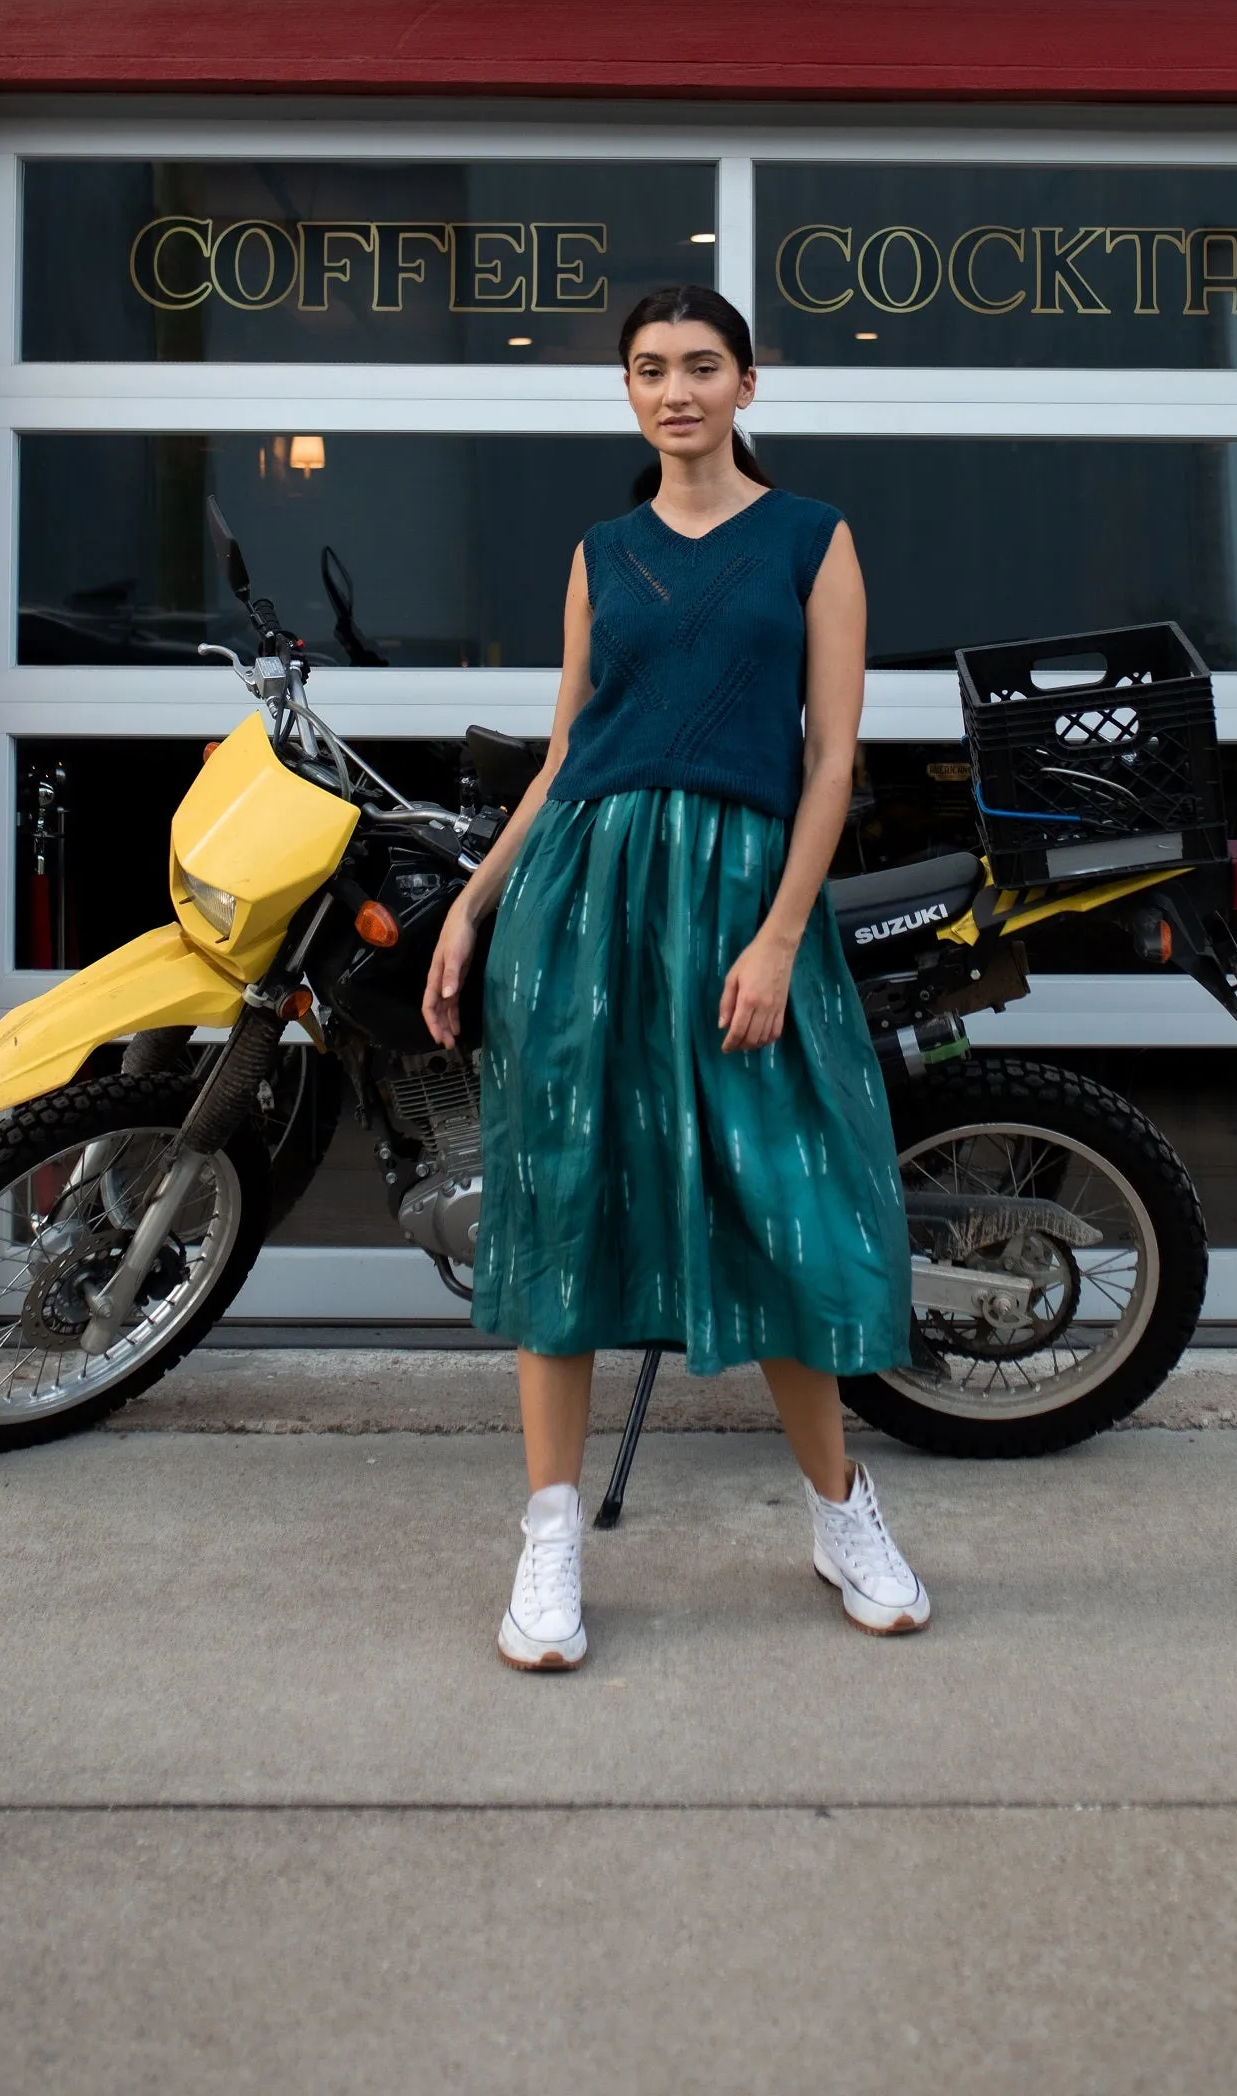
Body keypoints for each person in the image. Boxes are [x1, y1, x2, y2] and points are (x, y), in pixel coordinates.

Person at [422, 284, 929, 1670]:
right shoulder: (601, 551)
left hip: (741, 904)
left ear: (747, 386)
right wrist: (476, 901)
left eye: (701, 366)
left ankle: (841, 1513)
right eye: (650, 370)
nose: (675, 390)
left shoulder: (811, 542)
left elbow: (831, 761)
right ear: (630, 393)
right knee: (564, 1196)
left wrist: (775, 934)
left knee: (781, 1201)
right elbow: (567, 749)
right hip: (583, 904)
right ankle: (548, 1543)